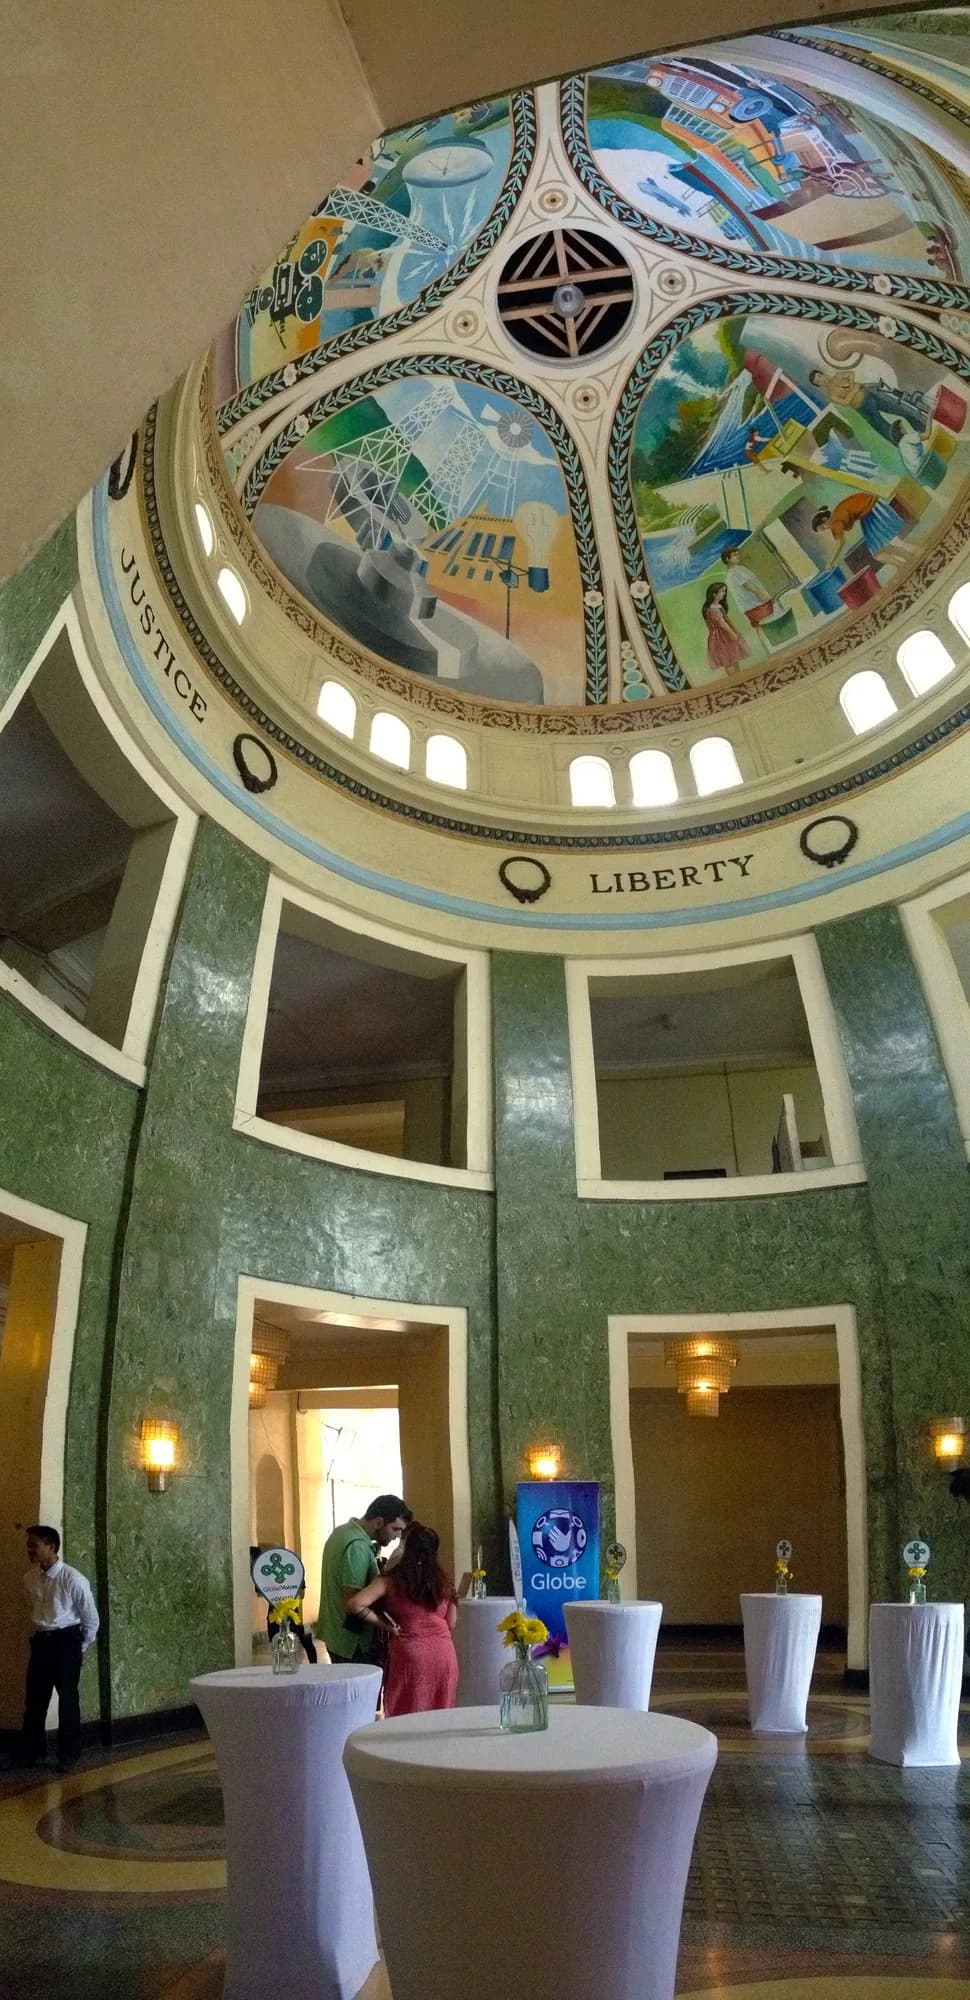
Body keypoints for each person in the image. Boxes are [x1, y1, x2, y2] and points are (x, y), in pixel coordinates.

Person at [346, 1523, 458, 1716]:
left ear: (407, 1548)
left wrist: (386, 1625)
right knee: (441, 1713)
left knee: (408, 1712)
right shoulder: (444, 1582)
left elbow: (355, 1604)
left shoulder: (390, 1580)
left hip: (410, 1651)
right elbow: (451, 1623)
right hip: (443, 1653)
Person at [21, 1526, 99, 1771]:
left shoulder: (73, 1579)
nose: (29, 1549)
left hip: (66, 1642)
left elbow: (91, 1619)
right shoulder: (29, 1578)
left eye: (35, 1545)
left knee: (67, 1699)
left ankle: (69, 1755)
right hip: (42, 1641)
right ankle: (31, 1752)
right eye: (29, 1544)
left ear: (52, 1547)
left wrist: (78, 1646)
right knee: (34, 1699)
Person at [318, 1495, 411, 1663]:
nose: (397, 1536)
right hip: (352, 1643)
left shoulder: (342, 1531)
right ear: (378, 1522)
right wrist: (388, 1626)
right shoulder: (358, 1547)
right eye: (395, 1529)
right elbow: (353, 1602)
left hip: (335, 1634)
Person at [811, 492, 910, 574]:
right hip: (872, 507)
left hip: (872, 510)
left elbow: (840, 543)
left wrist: (830, 562)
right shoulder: (835, 515)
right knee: (879, 548)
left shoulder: (834, 522)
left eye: (823, 527)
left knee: (877, 552)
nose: (826, 529)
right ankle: (907, 558)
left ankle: (902, 566)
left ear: (824, 519)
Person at [702, 581, 747, 674]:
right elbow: (723, 624)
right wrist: (733, 634)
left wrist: (736, 631)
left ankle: (739, 677)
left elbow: (727, 620)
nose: (724, 593)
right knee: (728, 660)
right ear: (714, 594)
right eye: (722, 591)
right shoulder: (712, 609)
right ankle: (734, 679)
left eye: (724, 591)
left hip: (725, 636)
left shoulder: (718, 606)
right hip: (722, 638)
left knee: (734, 658)